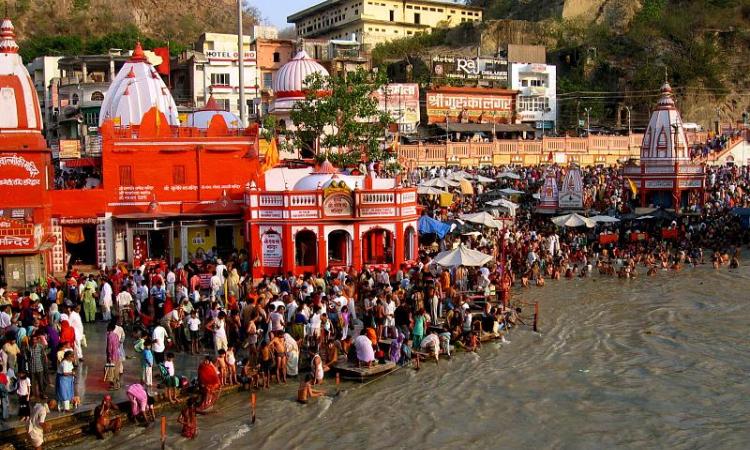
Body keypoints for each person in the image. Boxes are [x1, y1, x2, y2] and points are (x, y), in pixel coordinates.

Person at [105, 323, 122, 390]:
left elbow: (109, 347)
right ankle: (117, 384)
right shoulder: (116, 335)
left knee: (111, 371)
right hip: (117, 355)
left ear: (108, 328)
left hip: (112, 356)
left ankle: (112, 386)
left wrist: (109, 356)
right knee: (116, 371)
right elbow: (118, 345)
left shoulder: (109, 336)